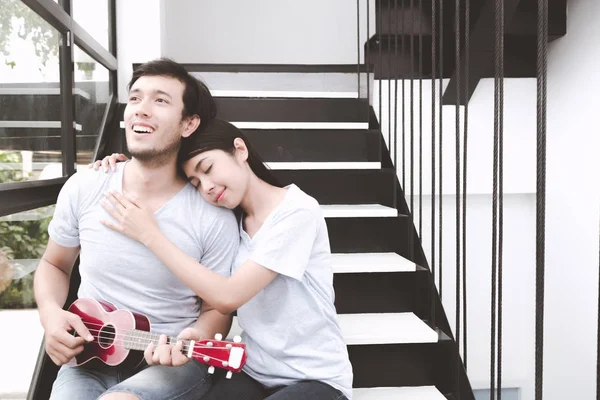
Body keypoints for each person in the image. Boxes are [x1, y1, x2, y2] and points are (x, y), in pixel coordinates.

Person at [93, 118, 354, 400]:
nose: (205, 186)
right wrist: (121, 166)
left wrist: (150, 235)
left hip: (315, 379)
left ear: (239, 149)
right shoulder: (231, 220)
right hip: (253, 372)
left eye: (208, 168)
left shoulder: (297, 212)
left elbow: (228, 297)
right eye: (195, 181)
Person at [34, 58, 239, 400]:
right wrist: (51, 314)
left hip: (169, 366)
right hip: (87, 358)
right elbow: (54, 264)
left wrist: (192, 338)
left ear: (188, 123)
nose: (141, 110)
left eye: (160, 100)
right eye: (135, 98)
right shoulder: (86, 187)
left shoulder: (211, 215)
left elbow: (217, 308)